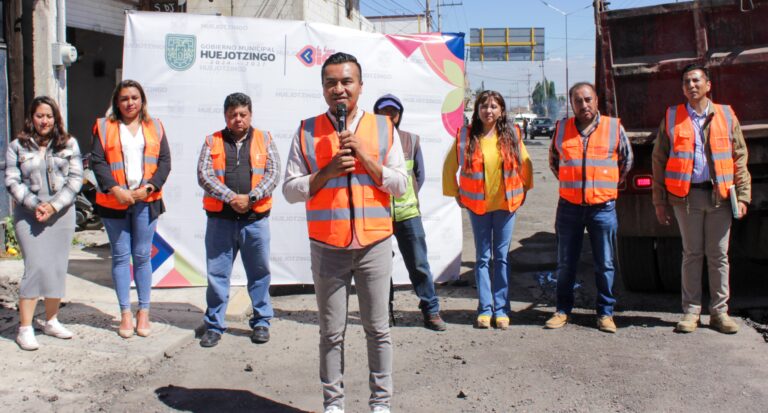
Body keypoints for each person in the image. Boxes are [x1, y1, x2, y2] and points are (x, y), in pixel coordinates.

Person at [283, 52, 407, 413]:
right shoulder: (307, 130)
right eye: (331, 82)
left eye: (346, 81)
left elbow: (400, 185)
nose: (339, 89)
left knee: (377, 329)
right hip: (328, 247)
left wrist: (366, 159)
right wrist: (328, 170)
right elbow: (290, 190)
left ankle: (380, 404)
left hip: (375, 245)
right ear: (323, 89)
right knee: (331, 332)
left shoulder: (384, 129)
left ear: (360, 86)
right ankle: (333, 404)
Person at [652, 64, 750, 334]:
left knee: (719, 255)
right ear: (682, 88)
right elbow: (659, 160)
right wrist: (659, 201)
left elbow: (739, 156)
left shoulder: (726, 115)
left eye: (696, 81)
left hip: (720, 197)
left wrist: (742, 195)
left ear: (708, 85)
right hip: (686, 198)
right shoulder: (672, 117)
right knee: (692, 254)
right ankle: (691, 311)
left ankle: (719, 313)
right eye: (686, 82)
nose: (691, 86)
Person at [545, 82, 633, 334]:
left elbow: (626, 161)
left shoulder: (614, 128)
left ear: (596, 101)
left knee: (605, 263)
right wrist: (574, 185)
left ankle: (605, 314)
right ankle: (562, 310)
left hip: (602, 208)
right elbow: (554, 162)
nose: (583, 105)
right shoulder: (562, 129)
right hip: (569, 208)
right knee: (564, 263)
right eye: (578, 101)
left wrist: (603, 187)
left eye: (588, 100)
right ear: (571, 104)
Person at [443, 90, 533, 330]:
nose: (489, 110)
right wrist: (456, 193)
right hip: (478, 207)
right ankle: (485, 309)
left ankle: (502, 309)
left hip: (505, 206)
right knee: (483, 258)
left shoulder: (512, 134)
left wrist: (523, 190)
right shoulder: (465, 136)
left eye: (494, 106)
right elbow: (449, 166)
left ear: (501, 110)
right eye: (484, 106)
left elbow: (526, 163)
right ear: (477, 110)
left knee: (501, 257)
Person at [197, 93, 280, 347]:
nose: (238, 119)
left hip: (255, 220)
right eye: (233, 114)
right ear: (226, 116)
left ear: (250, 115)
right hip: (221, 220)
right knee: (217, 275)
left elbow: (273, 173)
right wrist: (232, 197)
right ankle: (214, 325)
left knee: (259, 273)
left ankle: (262, 322)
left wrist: (251, 197)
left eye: (243, 114)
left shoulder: (265, 139)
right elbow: (204, 175)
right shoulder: (212, 141)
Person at [91, 79, 172, 339]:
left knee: (142, 256)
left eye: (134, 97)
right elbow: (97, 161)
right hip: (115, 201)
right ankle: (125, 312)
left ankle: (144, 311)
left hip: (145, 200)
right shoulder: (104, 127)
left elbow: (164, 161)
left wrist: (148, 189)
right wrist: (116, 190)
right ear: (117, 101)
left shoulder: (155, 126)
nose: (130, 103)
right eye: (124, 98)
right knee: (120, 256)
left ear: (142, 100)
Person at [5, 96, 83, 351]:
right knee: (36, 266)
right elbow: (12, 180)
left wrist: (53, 205)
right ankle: (25, 328)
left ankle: (51, 320)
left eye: (49, 116)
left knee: (57, 267)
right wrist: (34, 204)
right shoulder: (17, 146)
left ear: (55, 118)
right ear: (32, 118)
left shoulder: (68, 143)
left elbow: (75, 179)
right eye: (39, 115)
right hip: (29, 214)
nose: (44, 120)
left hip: (61, 213)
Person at [372, 93, 446, 331]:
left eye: (393, 112)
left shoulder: (411, 141)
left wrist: (406, 197)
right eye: (383, 112)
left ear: (399, 115)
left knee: (419, 264)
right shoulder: (367, 142)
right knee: (380, 267)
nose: (388, 116)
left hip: (408, 215)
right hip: (378, 215)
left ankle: (431, 310)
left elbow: (419, 176)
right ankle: (384, 311)